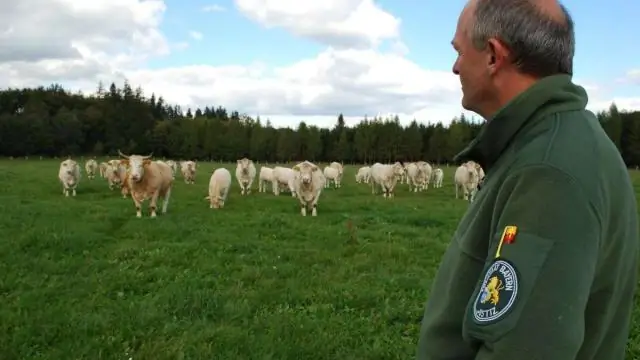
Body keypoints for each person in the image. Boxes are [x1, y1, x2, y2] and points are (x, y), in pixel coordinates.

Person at [416, 0, 639, 359]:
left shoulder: (548, 171)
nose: (455, 67)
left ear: (493, 56)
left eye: (458, 51)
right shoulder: (548, 143)